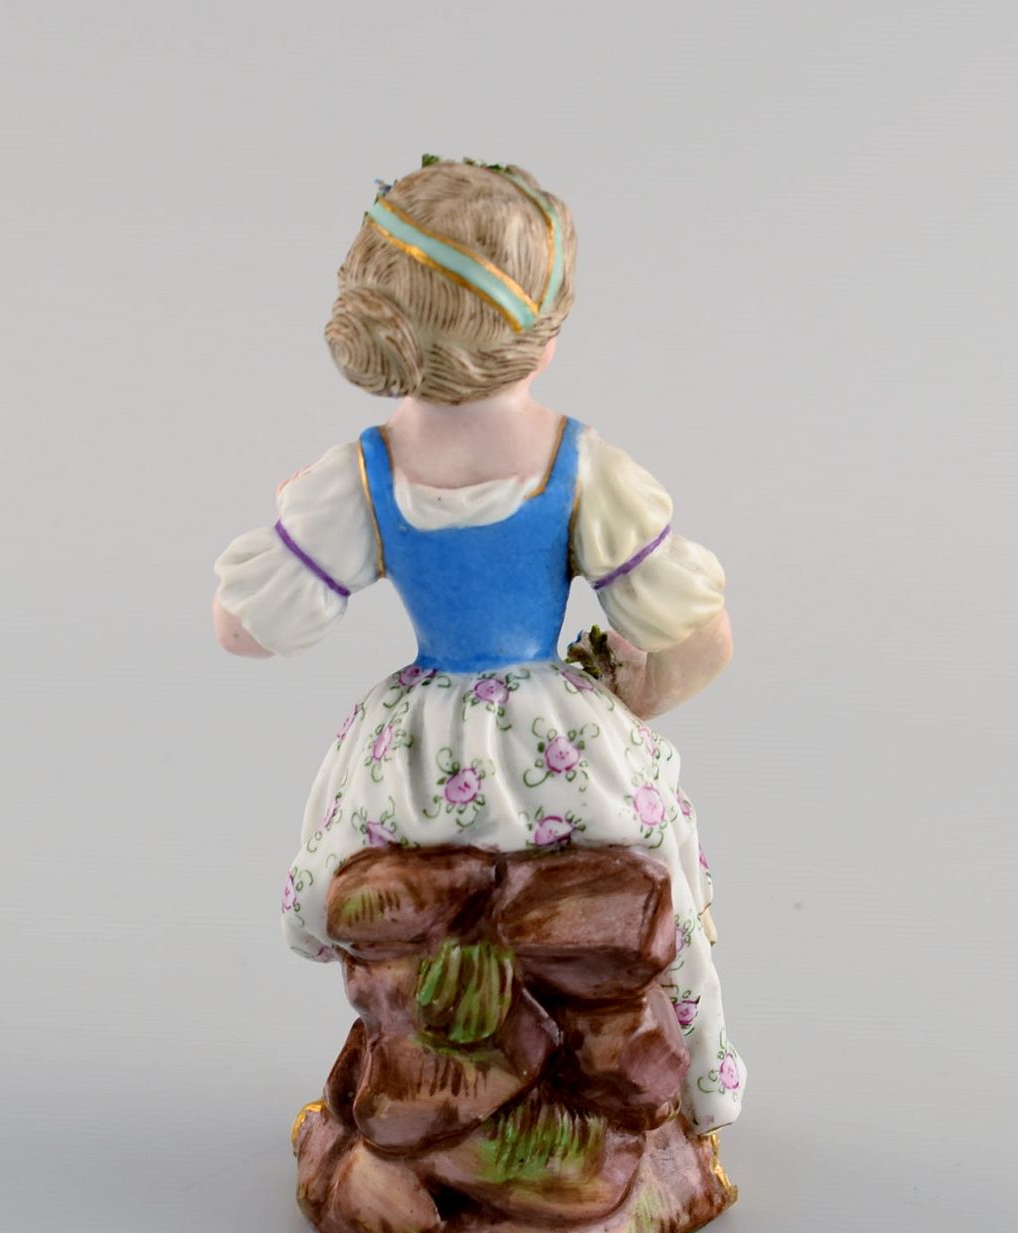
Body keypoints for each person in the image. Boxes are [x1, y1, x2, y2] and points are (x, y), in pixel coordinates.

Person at [212, 158, 745, 1134]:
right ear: (543, 333)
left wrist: (291, 529)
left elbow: (245, 631)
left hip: (416, 758)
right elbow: (693, 635)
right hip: (561, 748)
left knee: (397, 894)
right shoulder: (583, 466)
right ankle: (680, 1083)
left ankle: (446, 1092)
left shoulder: (360, 474)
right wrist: (637, 697)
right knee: (652, 863)